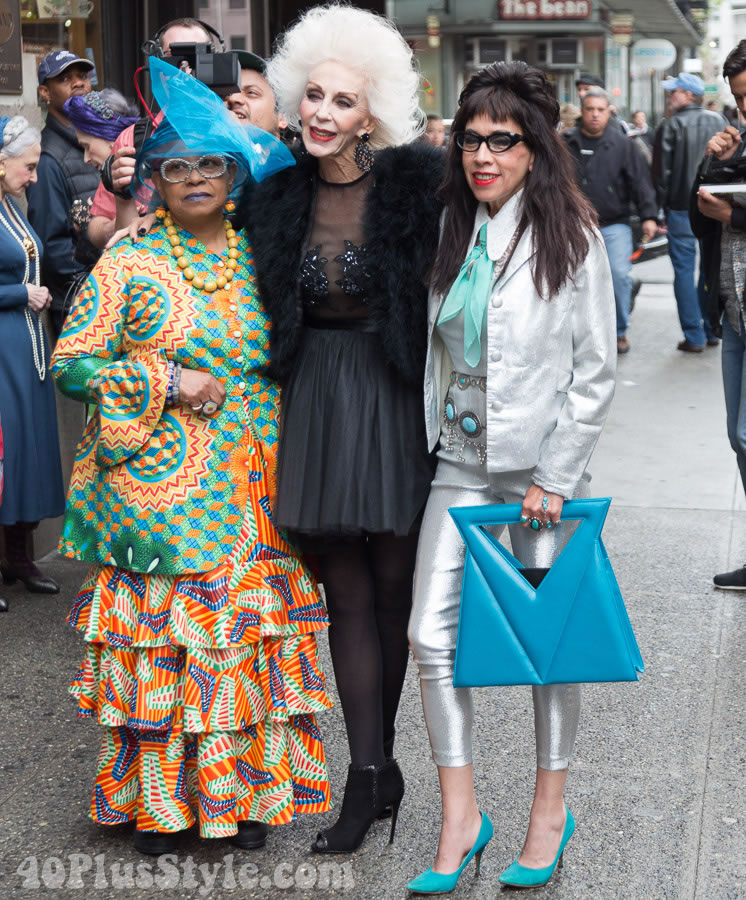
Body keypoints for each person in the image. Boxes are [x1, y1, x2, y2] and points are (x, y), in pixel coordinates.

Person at [50, 72, 331, 855]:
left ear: (235, 176)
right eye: (178, 168)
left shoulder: (261, 257)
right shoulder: (130, 262)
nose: (197, 180)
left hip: (254, 496)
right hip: (157, 500)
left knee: (243, 650)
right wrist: (167, 381)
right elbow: (72, 364)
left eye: (212, 166)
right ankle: (161, 808)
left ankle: (242, 802)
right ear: (155, 181)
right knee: (165, 652)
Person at [407, 61, 616, 893]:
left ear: (535, 150)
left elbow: (596, 372)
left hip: (538, 477)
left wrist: (558, 476)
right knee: (429, 636)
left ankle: (547, 810)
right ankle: (462, 815)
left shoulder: (572, 236)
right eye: (471, 139)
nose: (483, 154)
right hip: (458, 464)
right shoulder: (452, 229)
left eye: (503, 140)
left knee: (548, 644)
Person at [240, 3, 444, 854]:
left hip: (394, 394)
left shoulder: (416, 184)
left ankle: (382, 762)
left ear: (375, 112)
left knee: (393, 596)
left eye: (344, 101)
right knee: (344, 598)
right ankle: (366, 777)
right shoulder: (275, 195)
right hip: (317, 398)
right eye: (313, 95)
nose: (323, 113)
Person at [0, 116, 65, 605]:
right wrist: (22, 291)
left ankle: (17, 556)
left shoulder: (10, 204)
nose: (35, 176)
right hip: (5, 349)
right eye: (28, 166)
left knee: (27, 448)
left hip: (27, 346)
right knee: (7, 451)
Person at [691, 40, 746, 589]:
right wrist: (717, 163)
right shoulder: (740, 139)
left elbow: (729, 209)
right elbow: (699, 207)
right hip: (734, 310)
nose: (745, 109)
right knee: (738, 436)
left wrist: (737, 211)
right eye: (739, 99)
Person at [90, 17, 219, 234]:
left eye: (197, 56)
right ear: (157, 65)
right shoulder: (133, 139)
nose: (185, 70)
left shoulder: (232, 129)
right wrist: (130, 209)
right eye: (174, 58)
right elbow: (96, 230)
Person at [564, 87, 657, 354]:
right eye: (590, 109)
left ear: (608, 112)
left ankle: (618, 331)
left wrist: (649, 216)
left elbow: (641, 183)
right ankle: (575, 333)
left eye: (600, 110)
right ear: (582, 111)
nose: (595, 115)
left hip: (614, 223)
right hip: (574, 224)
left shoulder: (623, 145)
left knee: (617, 276)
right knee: (574, 280)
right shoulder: (566, 141)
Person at [26, 51, 100, 339]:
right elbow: (53, 249)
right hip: (79, 306)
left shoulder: (99, 141)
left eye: (82, 76)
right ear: (45, 91)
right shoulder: (47, 159)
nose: (78, 83)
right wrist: (100, 285)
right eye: (65, 78)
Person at [655, 73, 727, 351]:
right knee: (707, 268)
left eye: (674, 92)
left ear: (687, 95)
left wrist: (660, 210)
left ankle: (694, 335)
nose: (670, 96)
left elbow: (662, 174)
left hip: (681, 207)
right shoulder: (719, 121)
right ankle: (711, 329)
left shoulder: (671, 125)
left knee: (684, 272)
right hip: (712, 203)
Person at [62, 90, 139, 259]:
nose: (86, 158)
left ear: (111, 137)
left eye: (87, 146)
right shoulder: (110, 177)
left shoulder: (151, 166)